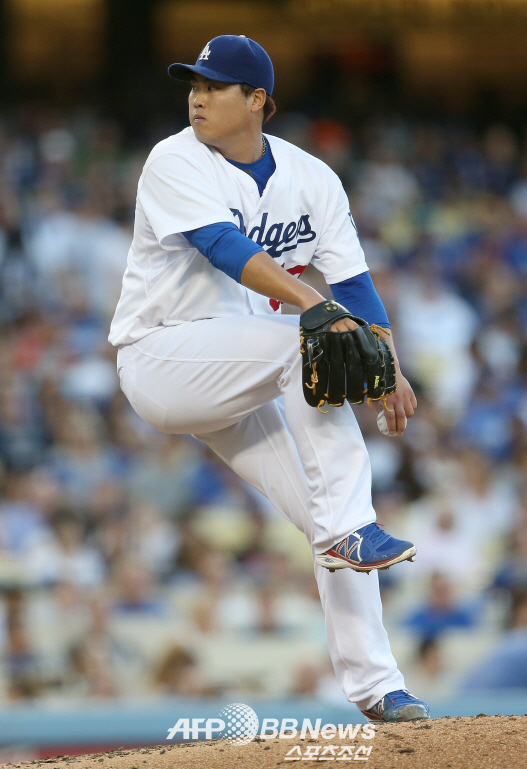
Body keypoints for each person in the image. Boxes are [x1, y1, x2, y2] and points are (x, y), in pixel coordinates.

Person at [109, 34, 429, 722]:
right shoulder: (174, 159)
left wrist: (389, 367)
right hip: (160, 358)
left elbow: (354, 283)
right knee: (307, 347)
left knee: (327, 513)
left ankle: (378, 688)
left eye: (214, 86)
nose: (197, 97)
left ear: (258, 100)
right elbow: (225, 248)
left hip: (244, 369)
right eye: (194, 84)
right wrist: (317, 307)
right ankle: (351, 528)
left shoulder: (313, 178)